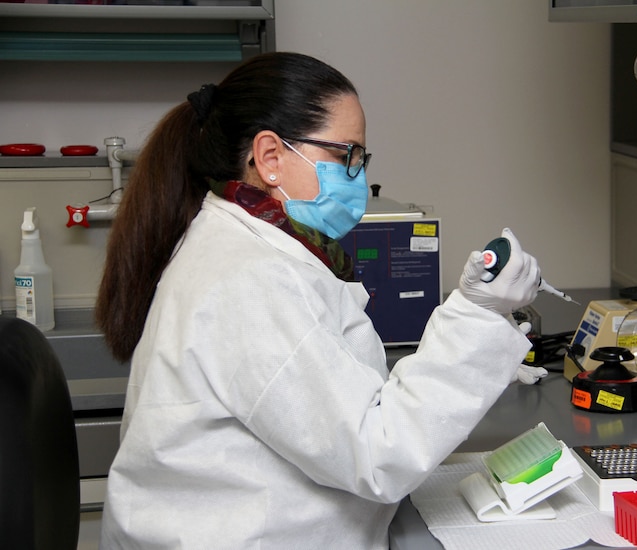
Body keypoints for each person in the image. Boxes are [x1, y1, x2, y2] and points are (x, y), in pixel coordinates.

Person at [96, 51, 542, 549]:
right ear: (270, 158)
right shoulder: (249, 276)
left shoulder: (254, 243)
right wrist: (477, 319)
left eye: (360, 159)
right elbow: (378, 454)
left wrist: (475, 350)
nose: (357, 176)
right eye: (346, 155)